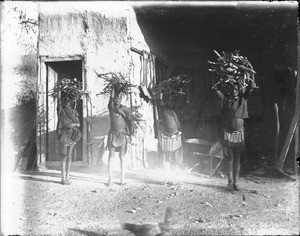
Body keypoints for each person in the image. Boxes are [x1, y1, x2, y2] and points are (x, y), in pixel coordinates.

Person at [214, 81, 254, 191]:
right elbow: (217, 91)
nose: (234, 91)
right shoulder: (225, 100)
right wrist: (218, 84)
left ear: (239, 90)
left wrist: (250, 78)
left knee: (237, 159)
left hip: (239, 134)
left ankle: (236, 182)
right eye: (232, 89)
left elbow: (250, 89)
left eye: (236, 89)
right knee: (229, 158)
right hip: (228, 134)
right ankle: (230, 182)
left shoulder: (243, 99)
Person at [107, 88, 132, 186]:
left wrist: (120, 111)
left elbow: (128, 118)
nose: (118, 99)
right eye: (116, 98)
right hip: (113, 134)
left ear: (121, 100)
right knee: (111, 156)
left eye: (120, 98)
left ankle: (122, 179)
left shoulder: (124, 109)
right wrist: (114, 85)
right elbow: (111, 97)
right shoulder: (111, 108)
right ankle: (110, 179)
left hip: (122, 135)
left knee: (122, 157)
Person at [56, 99, 81, 185]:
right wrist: (73, 125)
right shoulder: (61, 111)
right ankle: (63, 179)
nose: (67, 103)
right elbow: (65, 124)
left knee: (69, 156)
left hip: (72, 136)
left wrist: (73, 125)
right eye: (65, 101)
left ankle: (67, 177)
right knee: (64, 156)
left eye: (68, 102)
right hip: (64, 136)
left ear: (71, 102)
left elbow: (78, 123)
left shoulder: (74, 112)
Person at [158, 94, 183, 171]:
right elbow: (160, 103)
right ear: (166, 101)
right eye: (169, 100)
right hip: (166, 136)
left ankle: (176, 174)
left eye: (172, 101)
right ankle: (167, 175)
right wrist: (160, 93)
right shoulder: (163, 110)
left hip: (176, 136)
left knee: (176, 157)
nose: (171, 102)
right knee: (166, 157)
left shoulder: (175, 111)